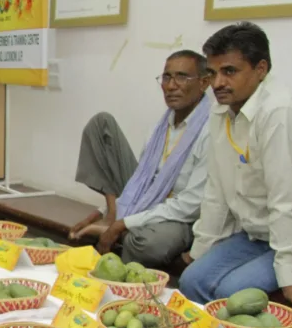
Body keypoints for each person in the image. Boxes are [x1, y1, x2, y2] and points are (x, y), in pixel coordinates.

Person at [179, 22, 292, 321]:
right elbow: (216, 190)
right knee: (192, 281)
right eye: (213, 72)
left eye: (229, 71)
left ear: (261, 69)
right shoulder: (221, 109)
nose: (217, 83)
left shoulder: (281, 112)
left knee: (231, 293)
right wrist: (200, 249)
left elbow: (287, 200)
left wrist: (289, 277)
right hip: (259, 235)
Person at [70, 51, 213, 269]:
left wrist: (124, 224)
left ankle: (121, 230)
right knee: (101, 124)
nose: (171, 86)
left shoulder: (212, 129)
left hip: (180, 216)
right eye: (166, 77)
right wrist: (103, 212)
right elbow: (140, 182)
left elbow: (191, 205)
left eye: (182, 77)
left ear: (204, 82)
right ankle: (113, 216)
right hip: (148, 200)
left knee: (147, 244)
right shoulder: (162, 124)